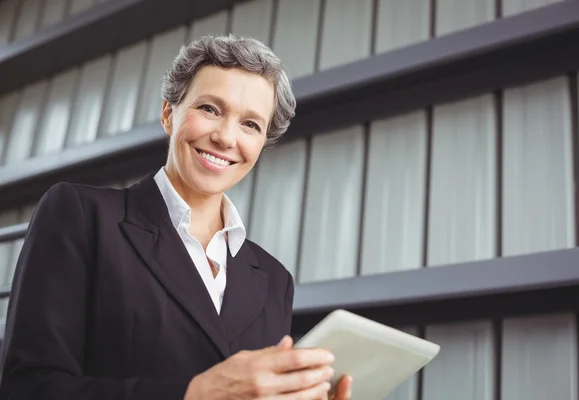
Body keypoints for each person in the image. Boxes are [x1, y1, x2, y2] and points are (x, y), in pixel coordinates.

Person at [0, 34, 352, 399]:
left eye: (251, 125)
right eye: (210, 109)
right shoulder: (80, 215)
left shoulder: (276, 281)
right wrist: (192, 394)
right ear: (169, 113)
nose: (226, 138)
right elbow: (27, 388)